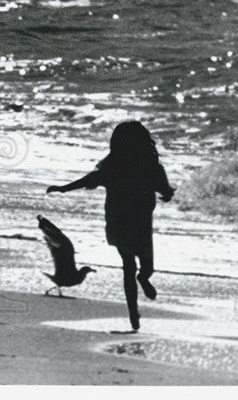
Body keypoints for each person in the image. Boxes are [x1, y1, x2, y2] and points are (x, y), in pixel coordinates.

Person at [45, 121, 175, 331]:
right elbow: (165, 190)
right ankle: (140, 290)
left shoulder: (112, 165)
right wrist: (168, 195)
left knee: (128, 266)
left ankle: (133, 309)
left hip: (117, 222)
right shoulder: (151, 167)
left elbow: (88, 180)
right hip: (139, 224)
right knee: (145, 267)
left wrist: (64, 188)